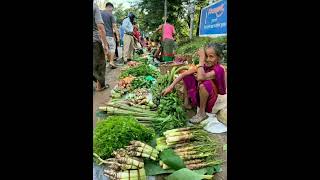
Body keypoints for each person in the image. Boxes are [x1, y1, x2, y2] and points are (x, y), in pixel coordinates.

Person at [162, 43, 227, 123]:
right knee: (188, 76)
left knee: (205, 84)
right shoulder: (204, 66)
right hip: (206, 96)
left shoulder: (219, 69)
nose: (207, 59)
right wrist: (171, 86)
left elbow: (201, 77)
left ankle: (202, 113)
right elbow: (183, 74)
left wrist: (201, 59)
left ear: (218, 58)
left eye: (211, 56)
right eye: (206, 56)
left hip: (215, 99)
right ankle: (187, 103)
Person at [93, 3, 109, 91]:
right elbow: (100, 27)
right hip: (94, 40)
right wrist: (105, 44)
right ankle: (100, 86)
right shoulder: (94, 6)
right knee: (100, 63)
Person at [100, 2, 119, 69]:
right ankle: (111, 61)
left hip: (101, 35)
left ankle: (109, 60)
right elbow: (114, 26)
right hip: (109, 35)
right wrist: (117, 36)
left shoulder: (100, 13)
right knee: (112, 47)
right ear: (110, 7)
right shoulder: (111, 15)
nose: (112, 10)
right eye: (112, 9)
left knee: (105, 48)